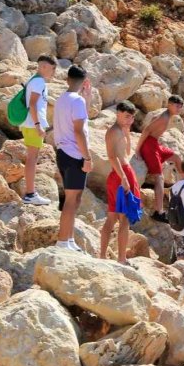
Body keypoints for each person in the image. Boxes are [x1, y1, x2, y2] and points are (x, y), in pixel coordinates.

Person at [53, 66, 93, 251]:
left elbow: (79, 123)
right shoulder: (77, 102)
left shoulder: (63, 99)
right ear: (85, 82)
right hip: (74, 154)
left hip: (62, 152)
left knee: (74, 198)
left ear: (67, 79)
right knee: (71, 199)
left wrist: (87, 98)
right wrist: (87, 157)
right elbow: (79, 131)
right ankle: (62, 241)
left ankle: (68, 239)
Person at [100, 101, 140, 263]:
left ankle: (104, 256)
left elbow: (127, 152)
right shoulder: (113, 132)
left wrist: (128, 131)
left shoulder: (123, 130)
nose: (129, 120)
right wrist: (123, 177)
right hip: (120, 175)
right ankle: (120, 258)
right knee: (123, 218)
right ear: (117, 113)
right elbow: (111, 156)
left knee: (113, 217)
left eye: (131, 117)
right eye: (126, 117)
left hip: (123, 172)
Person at [138, 95, 184, 222]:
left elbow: (153, 119)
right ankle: (159, 212)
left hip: (155, 144)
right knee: (159, 177)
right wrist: (138, 149)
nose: (179, 109)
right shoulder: (164, 117)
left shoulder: (166, 115)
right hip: (149, 146)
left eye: (180, 106)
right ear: (169, 105)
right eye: (176, 106)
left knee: (176, 157)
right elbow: (146, 130)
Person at [21, 55, 57, 206]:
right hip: (32, 124)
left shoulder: (35, 80)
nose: (53, 73)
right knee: (32, 159)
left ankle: (30, 193)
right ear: (43, 67)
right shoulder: (39, 82)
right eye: (52, 69)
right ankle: (30, 194)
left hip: (28, 123)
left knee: (31, 158)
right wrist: (38, 124)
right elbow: (33, 104)